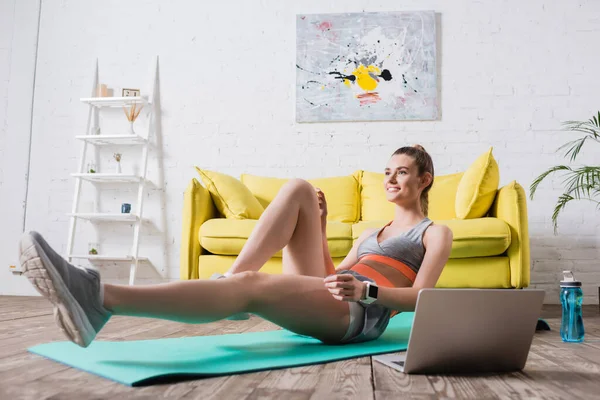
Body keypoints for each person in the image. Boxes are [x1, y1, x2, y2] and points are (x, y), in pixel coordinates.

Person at [19, 144, 453, 348]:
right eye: (387, 171)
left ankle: (100, 298)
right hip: (338, 297)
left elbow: (423, 298)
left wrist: (368, 292)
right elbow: (330, 278)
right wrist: (318, 229)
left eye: (401, 172)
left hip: (361, 315)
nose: (390, 179)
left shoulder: (434, 233)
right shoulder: (368, 234)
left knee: (251, 283)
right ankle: (232, 288)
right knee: (300, 188)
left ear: (424, 180)